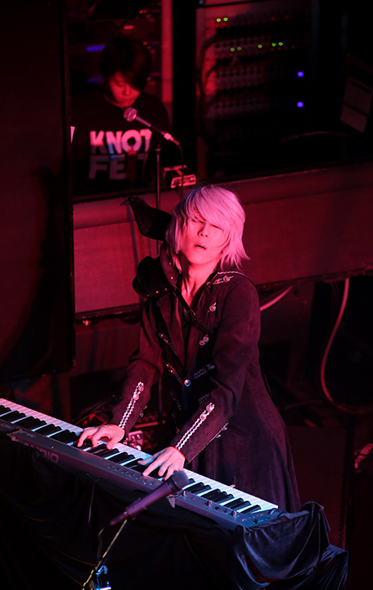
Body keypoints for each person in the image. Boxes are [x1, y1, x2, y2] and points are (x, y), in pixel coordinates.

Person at [78, 185, 300, 512]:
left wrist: (181, 447)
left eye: (217, 227)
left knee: (237, 534)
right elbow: (145, 363)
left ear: (228, 239)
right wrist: (119, 424)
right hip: (185, 437)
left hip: (242, 442)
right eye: (196, 221)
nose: (205, 233)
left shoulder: (237, 292)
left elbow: (226, 388)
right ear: (177, 226)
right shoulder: (160, 295)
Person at [71, 36, 172, 197]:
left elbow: (168, 161)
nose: (127, 92)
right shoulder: (80, 110)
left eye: (135, 84)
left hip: (142, 199)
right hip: (92, 202)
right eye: (119, 84)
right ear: (106, 76)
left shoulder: (153, 109)